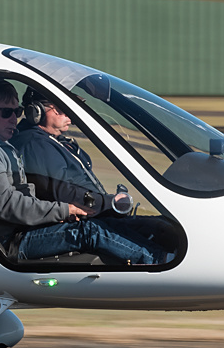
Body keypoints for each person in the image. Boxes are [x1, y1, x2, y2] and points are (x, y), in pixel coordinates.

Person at [0, 79, 159, 266]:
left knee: (109, 225)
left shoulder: (1, 145)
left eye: (17, 112)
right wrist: (64, 210)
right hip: (13, 241)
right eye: (6, 112)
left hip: (24, 230)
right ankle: (159, 263)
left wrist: (56, 213)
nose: (14, 119)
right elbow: (6, 204)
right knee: (92, 231)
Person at [12, 88, 170, 263]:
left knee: (156, 226)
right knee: (94, 230)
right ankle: (161, 262)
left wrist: (107, 204)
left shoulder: (55, 141)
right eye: (62, 109)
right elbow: (62, 193)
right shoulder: (34, 144)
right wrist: (109, 203)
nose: (69, 116)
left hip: (80, 216)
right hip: (49, 226)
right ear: (36, 112)